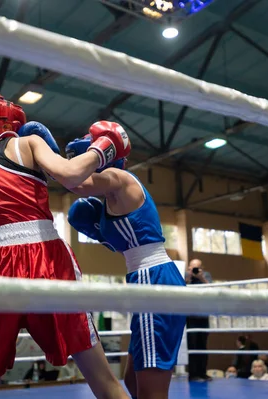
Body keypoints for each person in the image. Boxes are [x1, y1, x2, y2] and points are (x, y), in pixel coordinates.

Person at [0, 95, 131, 399]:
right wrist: (104, 146)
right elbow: (70, 174)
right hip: (45, 255)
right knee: (97, 372)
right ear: (13, 123)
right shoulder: (27, 143)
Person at [65, 133, 186, 399]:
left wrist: (41, 157)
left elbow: (75, 181)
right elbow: (126, 245)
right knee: (133, 379)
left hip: (153, 279)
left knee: (151, 389)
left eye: (84, 159)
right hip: (146, 278)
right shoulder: (111, 199)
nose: (78, 164)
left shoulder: (121, 180)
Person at [184, 259, 212, 381]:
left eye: (198, 267)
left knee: (203, 345)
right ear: (189, 267)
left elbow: (212, 289)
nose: (195, 270)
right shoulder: (185, 276)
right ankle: (193, 374)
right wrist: (189, 278)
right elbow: (179, 290)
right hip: (190, 316)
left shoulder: (206, 276)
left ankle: (202, 373)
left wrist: (201, 278)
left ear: (202, 268)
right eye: (193, 267)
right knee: (192, 345)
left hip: (203, 315)